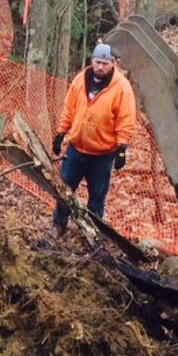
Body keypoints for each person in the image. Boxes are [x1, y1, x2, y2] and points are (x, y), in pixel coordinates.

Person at [51, 42, 137, 233]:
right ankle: (58, 226)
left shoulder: (122, 87)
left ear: (113, 63)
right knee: (63, 190)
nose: (100, 67)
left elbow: (126, 119)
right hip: (76, 150)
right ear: (92, 61)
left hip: (102, 155)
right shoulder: (80, 80)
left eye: (105, 63)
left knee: (97, 197)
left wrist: (122, 148)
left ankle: (91, 233)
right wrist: (60, 133)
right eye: (97, 62)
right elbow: (69, 109)